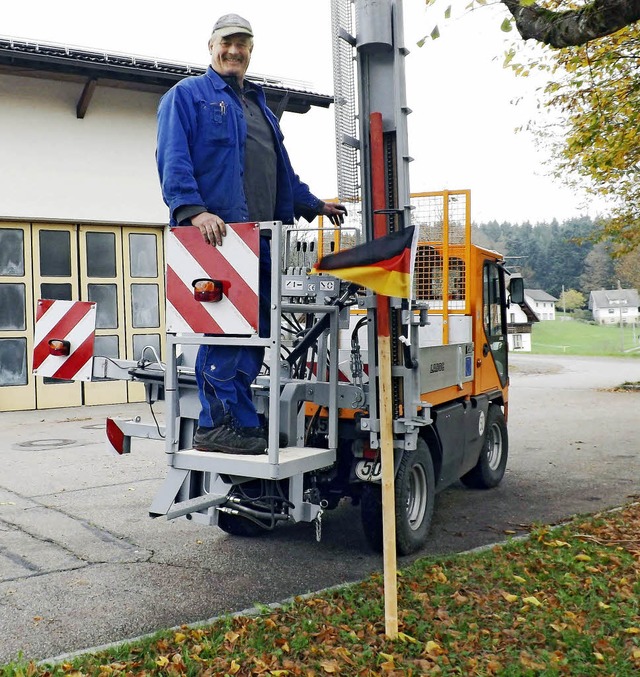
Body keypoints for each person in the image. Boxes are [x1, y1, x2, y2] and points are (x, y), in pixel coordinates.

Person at [156, 13, 346, 455]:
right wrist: (193, 210)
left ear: (251, 51)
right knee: (227, 332)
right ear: (211, 46)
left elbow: (281, 175)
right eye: (227, 42)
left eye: (243, 44)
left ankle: (239, 421)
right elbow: (172, 157)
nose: (234, 51)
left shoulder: (259, 107)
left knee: (258, 332)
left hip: (261, 241)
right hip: (217, 242)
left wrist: (315, 204)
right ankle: (217, 422)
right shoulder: (188, 96)